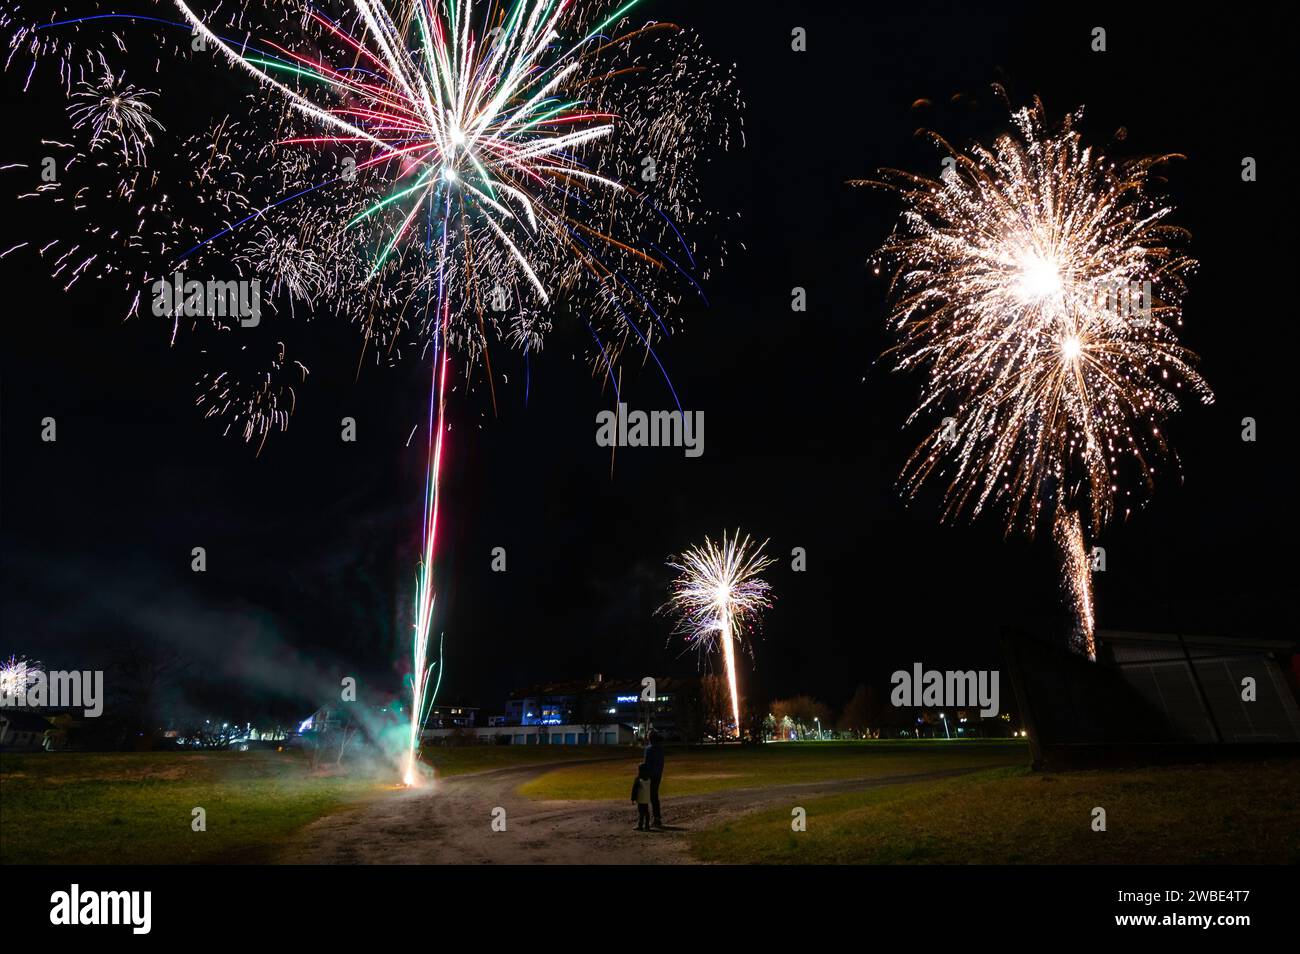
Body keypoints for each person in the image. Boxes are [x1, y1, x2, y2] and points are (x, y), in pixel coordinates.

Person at [643, 730, 664, 826]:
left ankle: (646, 819)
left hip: (650, 775)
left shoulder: (649, 749)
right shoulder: (660, 749)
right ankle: (657, 817)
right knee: (654, 796)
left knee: (646, 797)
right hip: (658, 775)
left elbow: (646, 764)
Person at [630, 763, 653, 831]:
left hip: (640, 799)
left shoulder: (638, 779)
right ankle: (647, 826)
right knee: (646, 812)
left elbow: (634, 789)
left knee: (641, 812)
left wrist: (633, 798)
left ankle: (640, 825)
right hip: (646, 798)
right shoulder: (649, 779)